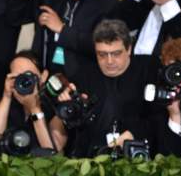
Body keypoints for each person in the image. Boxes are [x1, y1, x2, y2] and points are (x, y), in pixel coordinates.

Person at [56, 19, 162, 157]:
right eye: (102, 54)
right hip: (91, 157)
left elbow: (161, 115)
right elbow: (74, 126)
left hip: (138, 155)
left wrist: (135, 133)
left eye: (116, 53)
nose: (109, 61)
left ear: (129, 49)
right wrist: (69, 107)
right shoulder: (83, 75)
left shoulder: (149, 69)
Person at [7, 0, 117, 75]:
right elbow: (15, 18)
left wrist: (62, 29)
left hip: (79, 81)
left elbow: (102, 45)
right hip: (40, 73)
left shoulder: (109, 5)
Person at [0, 50, 66, 152]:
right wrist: (6, 97)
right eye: (18, 77)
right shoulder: (1, 103)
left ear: (43, 76)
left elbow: (52, 154)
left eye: (28, 75)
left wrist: (35, 109)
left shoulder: (55, 108)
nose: (24, 81)